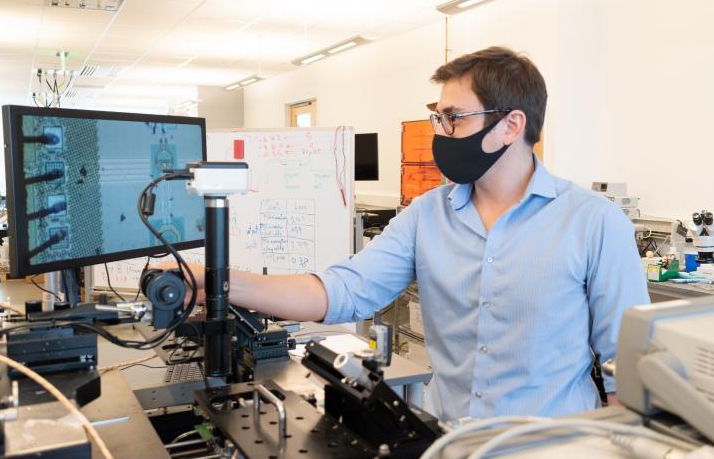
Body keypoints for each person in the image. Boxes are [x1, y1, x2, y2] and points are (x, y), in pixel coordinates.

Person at [175, 46, 649, 422]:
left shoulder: (594, 222)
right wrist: (217, 280)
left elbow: (626, 366)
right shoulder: (427, 215)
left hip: (554, 445)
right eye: (437, 117)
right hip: (448, 439)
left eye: (454, 118)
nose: (440, 132)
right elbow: (343, 291)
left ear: (511, 125)